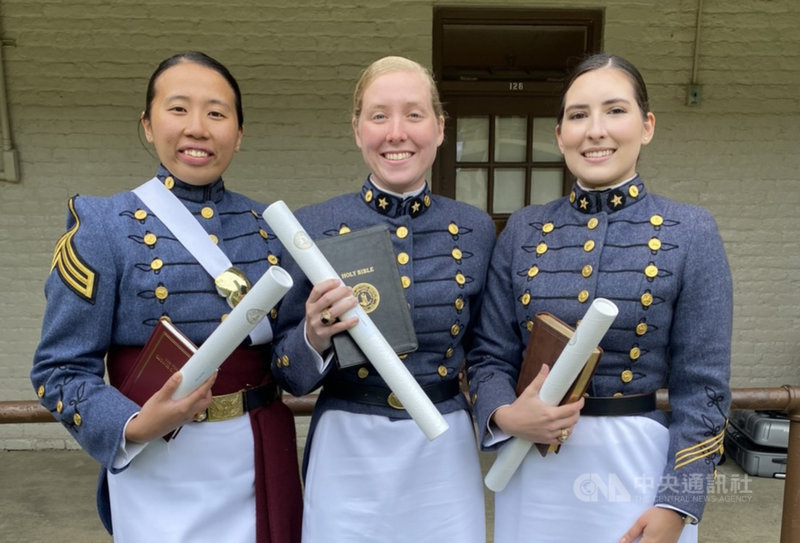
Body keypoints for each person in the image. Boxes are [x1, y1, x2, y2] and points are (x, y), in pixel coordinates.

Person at [31, 51, 302, 543]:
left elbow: (292, 369)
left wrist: (319, 338)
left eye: (217, 113)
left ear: (238, 135)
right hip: (158, 460)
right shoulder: (102, 227)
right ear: (148, 125)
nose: (197, 127)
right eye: (178, 109)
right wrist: (132, 425)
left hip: (260, 456)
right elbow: (59, 370)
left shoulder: (270, 230)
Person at [466, 52, 732, 543]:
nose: (595, 130)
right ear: (559, 133)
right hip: (533, 465)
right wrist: (505, 414)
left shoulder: (692, 231)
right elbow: (489, 355)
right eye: (578, 115)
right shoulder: (523, 229)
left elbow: (706, 389)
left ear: (647, 125)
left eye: (615, 110)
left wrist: (679, 502)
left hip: (639, 471)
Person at [271, 55, 495, 543]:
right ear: (357, 130)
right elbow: (286, 371)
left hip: (443, 441)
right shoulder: (312, 227)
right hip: (347, 443)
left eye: (414, 115)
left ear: (439, 128)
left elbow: (489, 352)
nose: (397, 133)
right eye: (378, 116)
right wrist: (312, 336)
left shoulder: (476, 229)